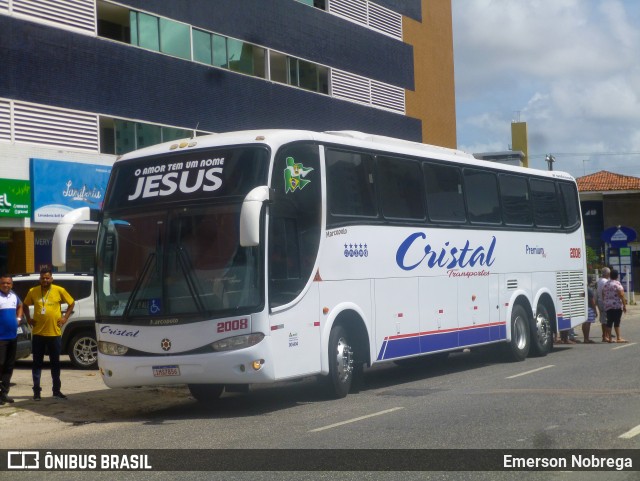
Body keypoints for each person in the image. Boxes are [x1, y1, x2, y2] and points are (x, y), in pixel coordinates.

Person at [23, 268, 75, 400]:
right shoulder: (33, 291)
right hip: (38, 334)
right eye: (42, 278)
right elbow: (25, 305)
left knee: (55, 363)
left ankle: (56, 391)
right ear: (39, 279)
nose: (44, 280)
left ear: (51, 278)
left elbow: (71, 303)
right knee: (37, 364)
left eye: (47, 278)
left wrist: (65, 318)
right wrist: (28, 318)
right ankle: (36, 392)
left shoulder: (59, 290)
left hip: (54, 333)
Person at [0, 274, 23, 404]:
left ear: (11, 284)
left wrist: (18, 319)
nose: (6, 285)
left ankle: (4, 394)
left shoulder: (14, 296)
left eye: (8, 283)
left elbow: (21, 306)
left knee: (9, 366)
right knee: (0, 365)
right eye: (3, 283)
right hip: (0, 338)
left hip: (12, 337)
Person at [602, 269, 627, 343]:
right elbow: (621, 295)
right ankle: (618, 338)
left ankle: (609, 338)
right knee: (616, 322)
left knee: (609, 322)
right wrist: (624, 305)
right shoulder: (617, 284)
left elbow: (603, 293)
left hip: (608, 306)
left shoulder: (606, 284)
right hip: (616, 306)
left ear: (610, 276)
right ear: (617, 276)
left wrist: (605, 301)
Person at [596, 267, 610, 342]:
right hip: (604, 302)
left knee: (603, 319)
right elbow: (604, 292)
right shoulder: (605, 281)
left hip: (600, 301)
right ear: (607, 274)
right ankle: (605, 336)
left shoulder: (599, 280)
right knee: (605, 320)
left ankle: (605, 335)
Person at [582, 275, 597, 344]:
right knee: (588, 323)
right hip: (589, 307)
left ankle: (585, 338)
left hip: (583, 307)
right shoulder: (589, 290)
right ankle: (586, 338)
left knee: (584, 323)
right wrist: (595, 310)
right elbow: (592, 301)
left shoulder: (582, 288)